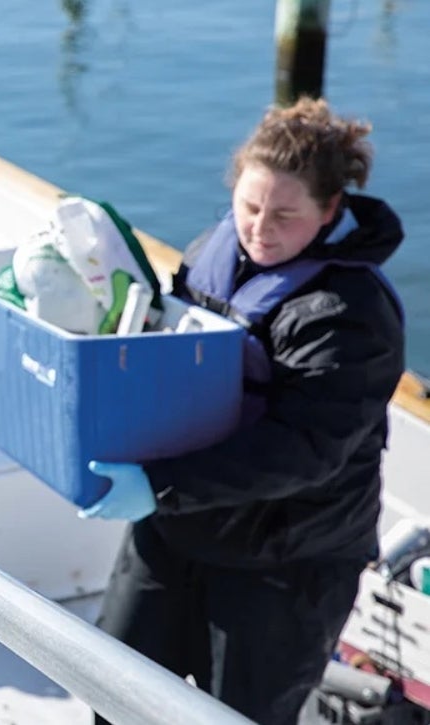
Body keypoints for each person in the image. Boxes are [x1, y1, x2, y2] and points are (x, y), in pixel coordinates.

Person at [81, 97, 406, 724]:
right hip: (176, 531)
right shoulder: (213, 253)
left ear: (330, 212)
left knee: (240, 716)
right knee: (112, 693)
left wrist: (158, 484)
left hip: (286, 558)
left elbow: (305, 448)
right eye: (250, 206)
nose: (260, 229)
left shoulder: (351, 314)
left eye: (286, 214)